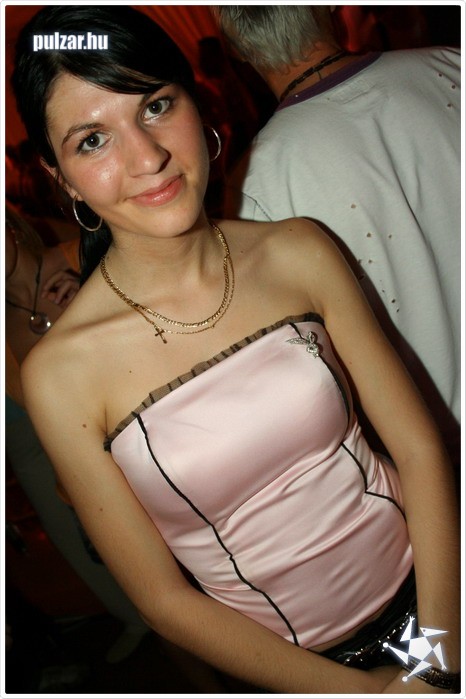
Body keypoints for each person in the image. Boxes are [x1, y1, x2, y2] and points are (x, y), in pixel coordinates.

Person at [12, 6, 460, 694]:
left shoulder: (299, 249)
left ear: (199, 104)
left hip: (437, 596)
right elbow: (164, 600)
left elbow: (418, 447)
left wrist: (436, 653)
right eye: (93, 140)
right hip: (292, 672)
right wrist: (367, 694)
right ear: (62, 177)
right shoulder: (60, 374)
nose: (147, 157)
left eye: (156, 106)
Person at [215, 6, 461, 468]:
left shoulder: (255, 182)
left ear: (237, 51)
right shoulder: (452, 65)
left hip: (431, 451)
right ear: (330, 8)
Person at [5, 203, 150, 664]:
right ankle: (140, 621)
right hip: (80, 459)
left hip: (142, 439)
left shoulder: (78, 254)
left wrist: (93, 301)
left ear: (10, 225)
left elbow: (159, 333)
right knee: (118, 565)